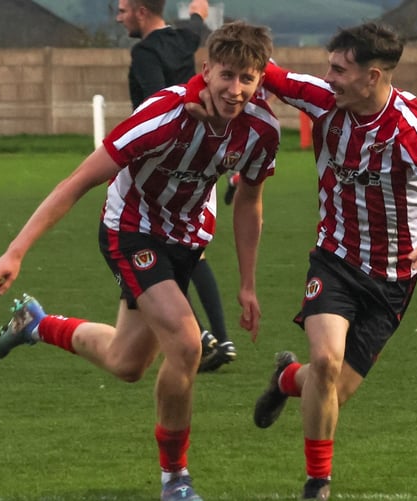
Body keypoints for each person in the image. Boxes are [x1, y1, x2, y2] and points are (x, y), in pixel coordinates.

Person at [0, 21, 277, 501]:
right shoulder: (162, 115)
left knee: (126, 362)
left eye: (248, 78)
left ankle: (36, 324)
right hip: (131, 229)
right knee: (186, 344)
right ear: (206, 70)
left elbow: (249, 201)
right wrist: (15, 250)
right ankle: (175, 481)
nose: (236, 88)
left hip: (186, 239)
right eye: (227, 75)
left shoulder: (261, 129)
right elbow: (78, 180)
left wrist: (247, 283)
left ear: (261, 79)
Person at [186, 21, 417, 500]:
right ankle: (318, 482)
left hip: (392, 281)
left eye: (340, 70)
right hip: (335, 259)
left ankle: (284, 378)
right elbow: (250, 70)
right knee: (325, 359)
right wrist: (197, 92)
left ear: (373, 76)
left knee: (331, 392)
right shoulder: (321, 98)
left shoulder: (412, 129)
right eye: (329, 66)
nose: (329, 77)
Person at [117, 0, 236, 372]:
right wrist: (198, 13)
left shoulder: (145, 53)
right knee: (192, 252)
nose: (119, 17)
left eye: (122, 10)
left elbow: (158, 101)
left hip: (160, 164)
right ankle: (219, 336)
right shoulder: (185, 39)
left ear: (140, 11)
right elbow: (198, 29)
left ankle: (199, 336)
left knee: (152, 254)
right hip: (200, 161)